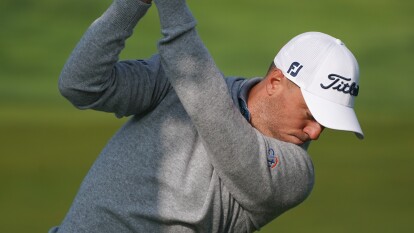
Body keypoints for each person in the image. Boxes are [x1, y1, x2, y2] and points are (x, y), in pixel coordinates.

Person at [50, 0, 363, 232]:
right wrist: (131, 5)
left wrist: (172, 8)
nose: (315, 132)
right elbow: (81, 85)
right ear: (277, 82)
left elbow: (215, 119)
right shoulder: (174, 83)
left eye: (326, 123)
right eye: (311, 115)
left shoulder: (295, 175)